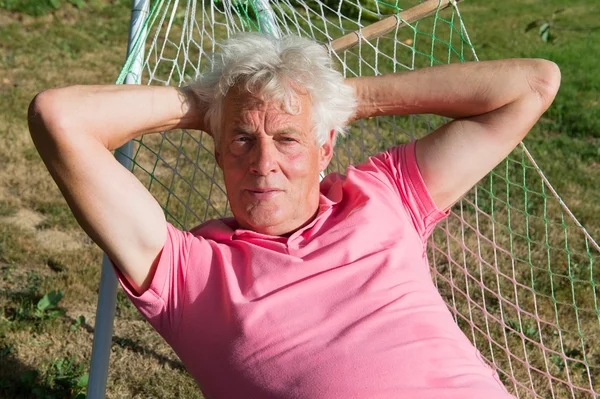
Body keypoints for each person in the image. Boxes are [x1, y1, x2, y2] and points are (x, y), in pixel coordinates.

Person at [28, 33, 560, 398]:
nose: (264, 164)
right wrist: (210, 103)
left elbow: (533, 84)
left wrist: (337, 98)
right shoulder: (188, 274)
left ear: (325, 148)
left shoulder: (384, 195)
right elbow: (59, 117)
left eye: (288, 138)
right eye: (241, 140)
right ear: (216, 150)